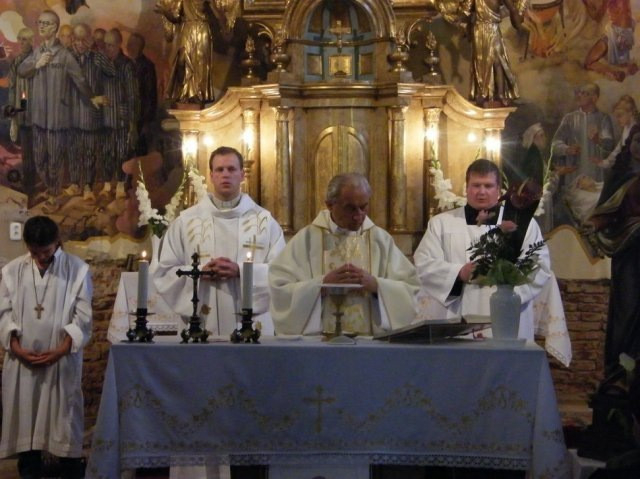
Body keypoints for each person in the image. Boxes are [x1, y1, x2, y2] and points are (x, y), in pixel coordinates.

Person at [154, 146, 285, 336]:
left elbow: (281, 273)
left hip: (251, 326)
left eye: (231, 169)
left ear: (242, 174)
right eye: (219, 169)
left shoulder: (264, 222)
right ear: (211, 175)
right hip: (202, 321)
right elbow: (165, 272)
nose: (225, 175)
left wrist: (241, 271)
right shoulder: (186, 221)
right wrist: (199, 272)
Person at [414, 159, 551, 340]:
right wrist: (459, 273)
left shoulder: (522, 223)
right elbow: (424, 263)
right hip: (458, 316)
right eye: (476, 185)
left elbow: (540, 265)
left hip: (508, 315)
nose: (481, 192)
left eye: (488, 185)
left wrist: (506, 286)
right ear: (466, 188)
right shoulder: (441, 224)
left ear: (498, 189)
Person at [269, 172, 419, 336]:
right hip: (320, 343)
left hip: (370, 342)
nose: (358, 215)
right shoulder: (307, 239)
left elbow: (410, 288)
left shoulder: (380, 240)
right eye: (350, 208)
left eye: (363, 207)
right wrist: (321, 285)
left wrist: (376, 286)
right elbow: (280, 288)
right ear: (330, 205)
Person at [0, 215, 93, 479]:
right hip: (23, 364)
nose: (41, 257)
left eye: (47, 251)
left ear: (57, 242)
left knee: (64, 426)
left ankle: (71, 472)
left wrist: (61, 350)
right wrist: (16, 347)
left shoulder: (77, 270)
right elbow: (3, 314)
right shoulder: (12, 271)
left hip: (60, 363)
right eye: (35, 252)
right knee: (26, 428)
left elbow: (83, 318)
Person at [17, 10, 105, 210]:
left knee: (55, 160)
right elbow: (22, 70)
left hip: (58, 119)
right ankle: (50, 189)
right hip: (39, 117)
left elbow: (80, 80)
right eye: (40, 22)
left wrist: (92, 97)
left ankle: (54, 196)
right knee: (40, 160)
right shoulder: (37, 52)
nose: (41, 26)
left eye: (46, 23)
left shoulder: (65, 55)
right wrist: (37, 64)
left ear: (55, 27)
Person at [588, 124, 640, 375]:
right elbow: (605, 213)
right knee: (626, 310)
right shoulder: (619, 176)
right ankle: (620, 375)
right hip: (629, 251)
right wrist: (594, 225)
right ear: (630, 144)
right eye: (638, 141)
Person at [551, 83, 614, 226]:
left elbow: (610, 147)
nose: (579, 96)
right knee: (578, 216)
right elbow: (555, 144)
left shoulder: (603, 118)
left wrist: (598, 140)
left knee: (596, 213)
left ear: (594, 98)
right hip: (574, 178)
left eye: (585, 93)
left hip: (596, 178)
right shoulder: (569, 118)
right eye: (579, 92)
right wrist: (567, 149)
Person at [66, 23, 115, 200]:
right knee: (73, 151)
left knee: (89, 152)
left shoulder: (98, 58)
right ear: (73, 39)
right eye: (77, 39)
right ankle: (74, 184)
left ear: (90, 39)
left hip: (91, 115)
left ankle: (87, 186)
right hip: (71, 115)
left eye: (84, 39)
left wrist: (104, 98)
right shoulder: (66, 58)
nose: (80, 43)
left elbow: (114, 77)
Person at [460, 0, 527, 107]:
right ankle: (482, 94)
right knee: (482, 63)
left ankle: (500, 94)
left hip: (493, 28)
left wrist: (518, 25)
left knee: (498, 61)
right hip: (480, 31)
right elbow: (465, 12)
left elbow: (512, 9)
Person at [100, 28, 138, 200]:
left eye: (111, 45)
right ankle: (107, 185)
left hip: (122, 118)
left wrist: (132, 121)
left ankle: (121, 185)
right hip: (105, 118)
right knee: (107, 152)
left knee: (122, 153)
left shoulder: (127, 65)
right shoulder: (102, 64)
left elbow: (133, 95)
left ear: (118, 44)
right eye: (106, 45)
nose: (108, 48)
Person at [155, 0, 218, 103]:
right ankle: (183, 92)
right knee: (182, 60)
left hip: (202, 31)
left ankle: (198, 94)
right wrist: (164, 11)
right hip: (187, 30)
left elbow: (215, 16)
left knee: (201, 64)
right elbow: (175, 16)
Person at [8, 27, 35, 195]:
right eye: (20, 39)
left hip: (36, 112)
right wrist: (13, 114)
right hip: (22, 111)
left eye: (25, 39)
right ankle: (29, 184)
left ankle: (37, 183)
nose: (21, 42)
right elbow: (12, 88)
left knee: (36, 149)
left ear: (32, 41)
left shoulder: (36, 59)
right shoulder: (16, 61)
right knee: (26, 149)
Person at [126, 32, 157, 156]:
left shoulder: (147, 66)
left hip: (141, 119)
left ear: (140, 47)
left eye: (134, 44)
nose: (130, 47)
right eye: (129, 44)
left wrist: (146, 122)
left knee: (139, 153)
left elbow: (150, 96)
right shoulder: (125, 63)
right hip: (126, 118)